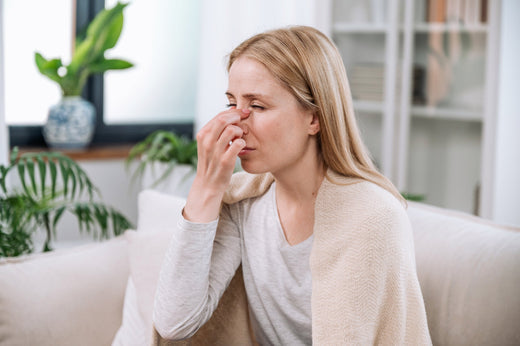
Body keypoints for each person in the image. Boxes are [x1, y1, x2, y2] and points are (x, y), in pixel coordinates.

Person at [153, 26, 431, 345]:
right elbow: (174, 323)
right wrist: (206, 188)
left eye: (257, 106)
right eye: (232, 104)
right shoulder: (242, 203)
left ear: (314, 118)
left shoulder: (373, 217)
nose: (236, 125)